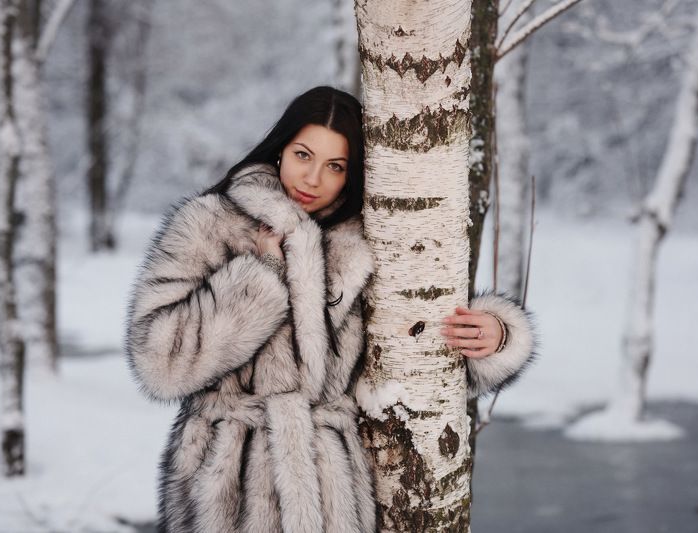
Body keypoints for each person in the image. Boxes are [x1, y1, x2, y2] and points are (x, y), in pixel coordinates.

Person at [125, 86, 535, 533]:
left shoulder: (366, 244)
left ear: (351, 174)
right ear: (280, 150)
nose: (312, 179)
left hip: (333, 494)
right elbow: (157, 362)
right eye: (303, 155)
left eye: (334, 166)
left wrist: (496, 336)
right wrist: (260, 277)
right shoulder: (210, 223)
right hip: (224, 487)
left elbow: (418, 351)